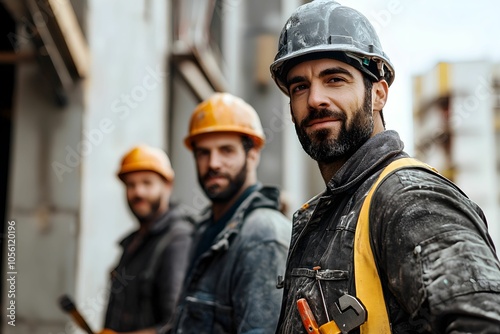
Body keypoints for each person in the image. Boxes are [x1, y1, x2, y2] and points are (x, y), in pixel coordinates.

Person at [269, 1, 500, 333]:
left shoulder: (409, 198)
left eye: (334, 79)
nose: (315, 99)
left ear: (378, 94)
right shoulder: (333, 209)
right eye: (300, 86)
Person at [168, 92, 292, 333]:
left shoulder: (263, 236)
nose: (213, 163)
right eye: (203, 152)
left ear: (252, 154)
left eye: (226, 150)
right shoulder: (205, 229)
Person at [101, 145, 194, 334]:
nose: (138, 192)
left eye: (147, 183)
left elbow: (174, 325)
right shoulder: (133, 243)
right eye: (131, 185)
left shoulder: (178, 239)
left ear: (167, 186)